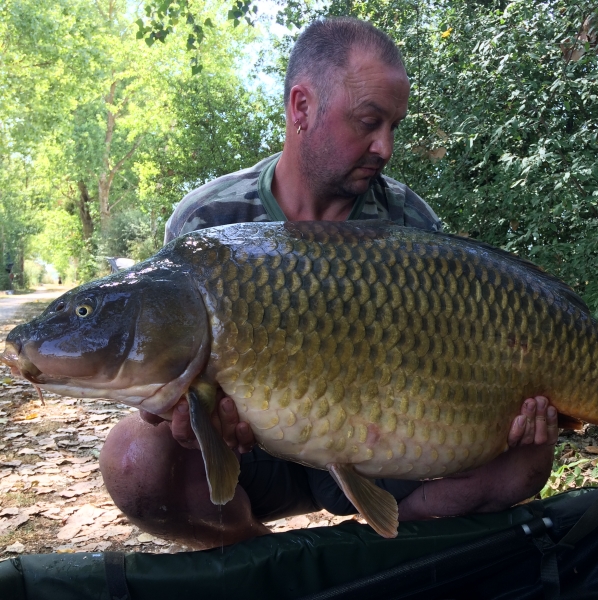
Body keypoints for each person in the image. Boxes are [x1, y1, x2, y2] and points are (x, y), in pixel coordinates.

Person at [99, 17, 560, 550]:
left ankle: (381, 559)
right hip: (251, 457)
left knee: (528, 458)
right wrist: (187, 415)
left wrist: (517, 404)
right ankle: (259, 560)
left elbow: (461, 359)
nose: (385, 146)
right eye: (368, 122)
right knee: (136, 454)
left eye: (393, 126)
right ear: (302, 108)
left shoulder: (407, 220)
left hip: (378, 444)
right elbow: (168, 373)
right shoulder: (210, 220)